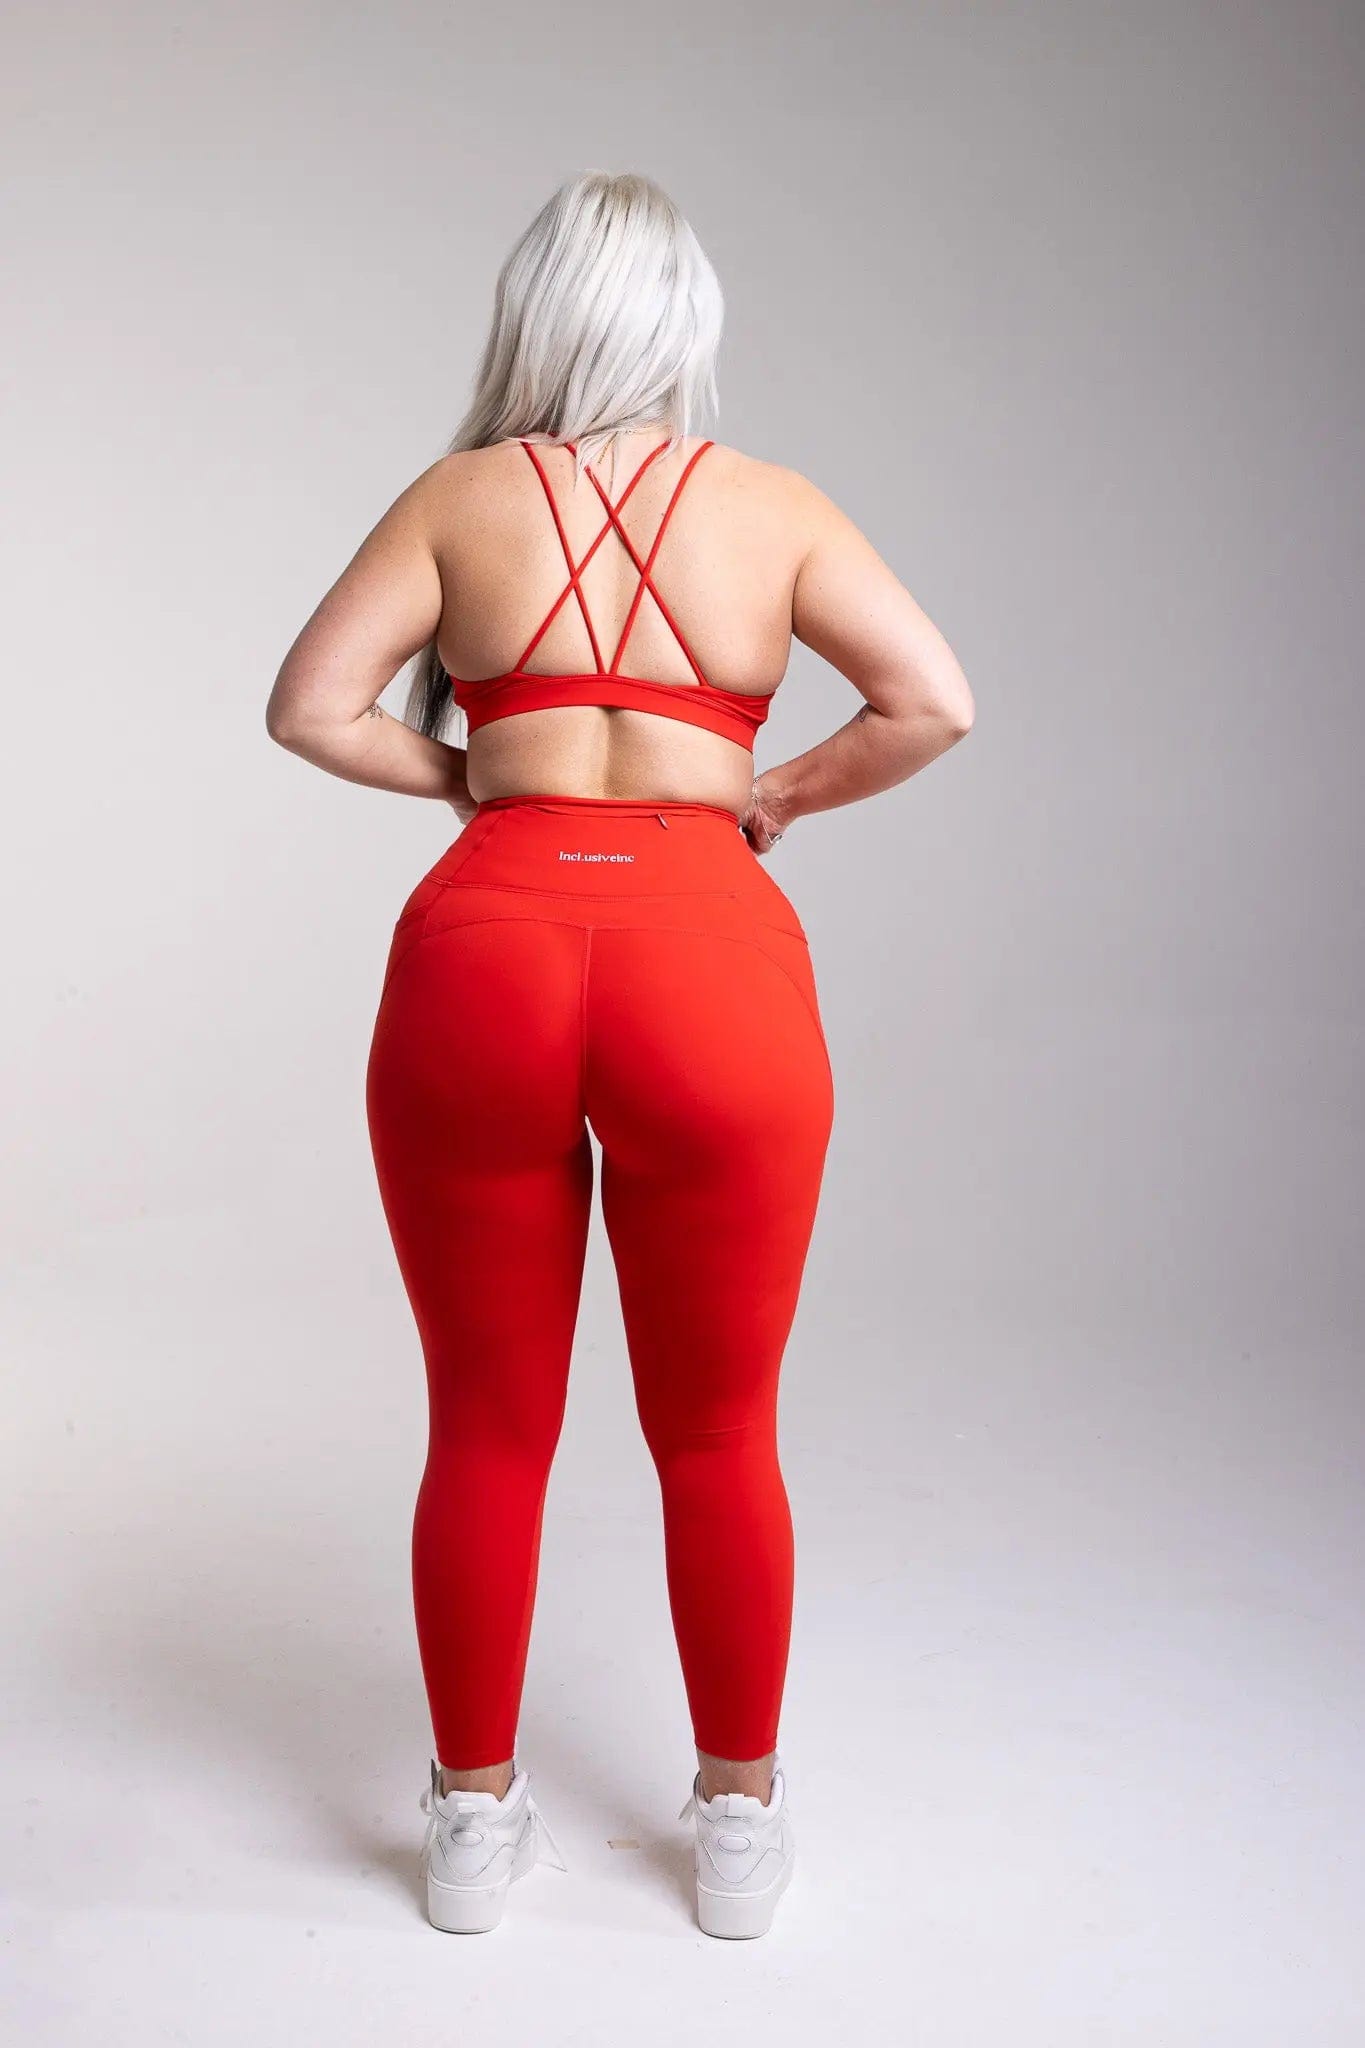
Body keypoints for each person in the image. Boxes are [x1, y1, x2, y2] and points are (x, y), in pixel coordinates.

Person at [265, 168, 973, 1939]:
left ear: (534, 314)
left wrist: (482, 782)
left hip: (486, 953)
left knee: (483, 1422)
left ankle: (467, 1826)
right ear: (686, 324)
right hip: (706, 958)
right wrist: (763, 793)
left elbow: (309, 707)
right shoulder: (773, 505)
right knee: (719, 1429)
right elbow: (932, 702)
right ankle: (734, 1826)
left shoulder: (459, 498)